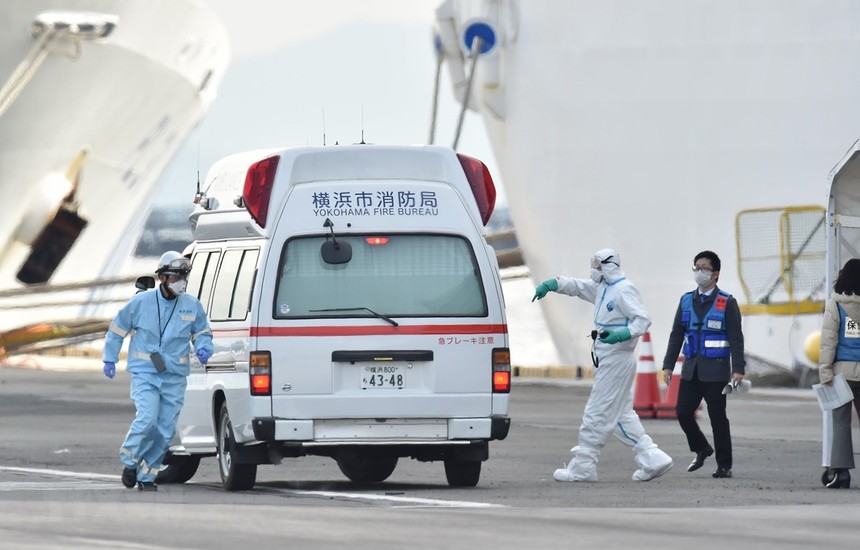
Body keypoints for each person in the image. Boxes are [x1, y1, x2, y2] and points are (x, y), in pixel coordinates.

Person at [533, 248, 673, 482]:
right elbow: (578, 287)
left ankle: (584, 465)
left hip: (617, 358)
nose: (594, 268)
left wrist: (621, 335)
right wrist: (554, 284)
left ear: (609, 265)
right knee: (620, 414)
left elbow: (642, 319)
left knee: (597, 411)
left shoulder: (623, 289)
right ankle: (651, 456)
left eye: (597, 264)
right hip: (607, 358)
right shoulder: (603, 288)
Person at [102, 251, 213, 491]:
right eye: (176, 276)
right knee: (147, 420)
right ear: (163, 277)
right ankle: (130, 462)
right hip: (146, 373)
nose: (181, 281)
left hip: (174, 376)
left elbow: (203, 332)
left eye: (184, 276)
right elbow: (117, 330)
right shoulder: (141, 303)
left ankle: (147, 476)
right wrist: (109, 358)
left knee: (165, 431)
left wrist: (205, 348)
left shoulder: (191, 305)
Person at [661, 250, 745, 479]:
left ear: (715, 274)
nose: (700, 272)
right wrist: (668, 364)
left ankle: (724, 465)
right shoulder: (686, 300)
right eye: (696, 268)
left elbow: (736, 337)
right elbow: (676, 334)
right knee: (682, 412)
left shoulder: (727, 302)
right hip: (691, 369)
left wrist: (738, 369)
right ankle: (701, 448)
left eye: (704, 268)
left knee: (718, 418)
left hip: (716, 371)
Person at [818, 258, 860, 489]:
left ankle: (841, 474)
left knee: (841, 424)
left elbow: (828, 343)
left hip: (842, 374)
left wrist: (825, 373)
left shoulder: (835, 305)